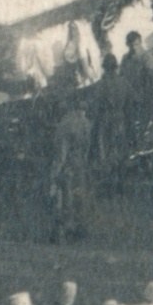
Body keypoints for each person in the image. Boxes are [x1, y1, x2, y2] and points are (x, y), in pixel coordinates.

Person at [47, 100, 94, 242]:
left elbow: (61, 153)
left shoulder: (65, 125)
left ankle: (64, 230)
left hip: (68, 165)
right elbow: (87, 148)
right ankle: (80, 228)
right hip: (80, 164)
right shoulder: (86, 123)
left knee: (64, 197)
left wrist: (55, 173)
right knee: (79, 195)